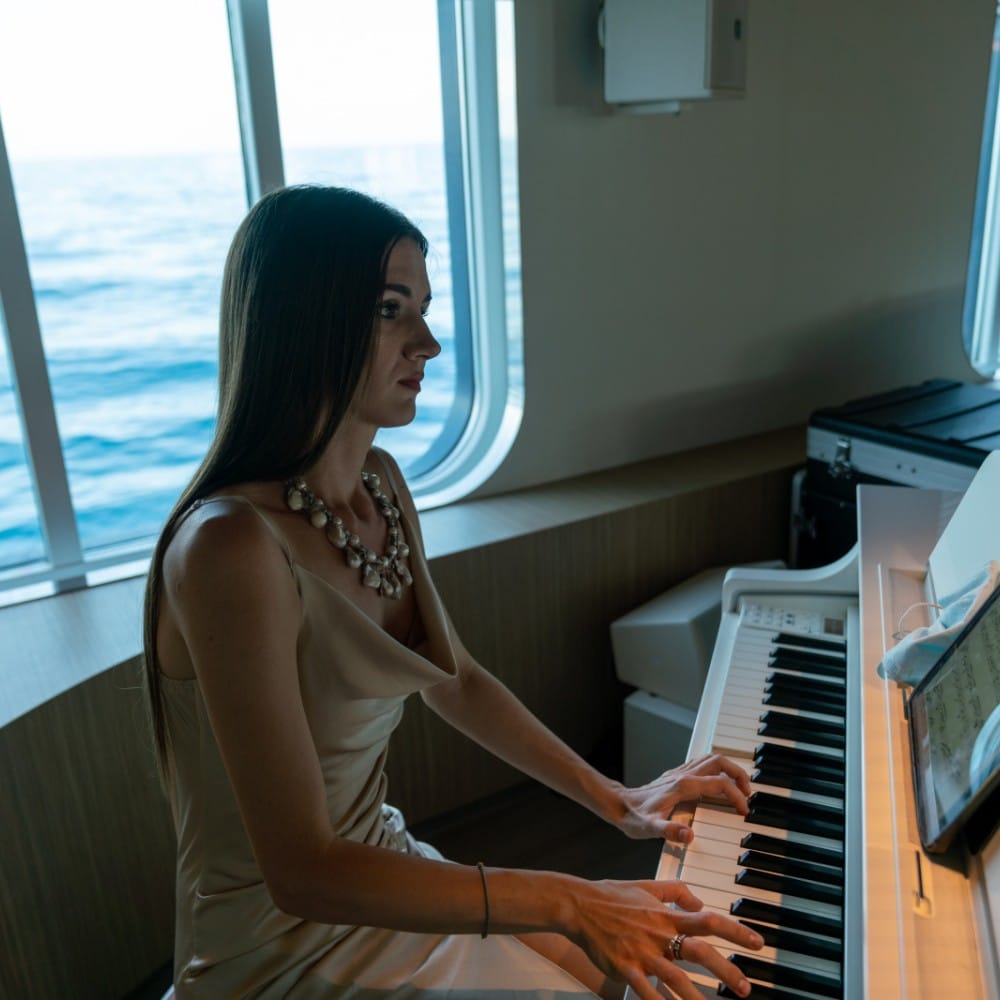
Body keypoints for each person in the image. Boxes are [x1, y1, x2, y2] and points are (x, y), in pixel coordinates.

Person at [143, 185, 763, 1000]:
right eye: (390, 310)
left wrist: (618, 801)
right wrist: (569, 898)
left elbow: (456, 680)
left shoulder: (381, 484)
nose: (428, 343)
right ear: (303, 319)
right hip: (282, 947)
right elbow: (300, 872)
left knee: (646, 981)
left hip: (383, 862)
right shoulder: (227, 549)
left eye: (424, 309)